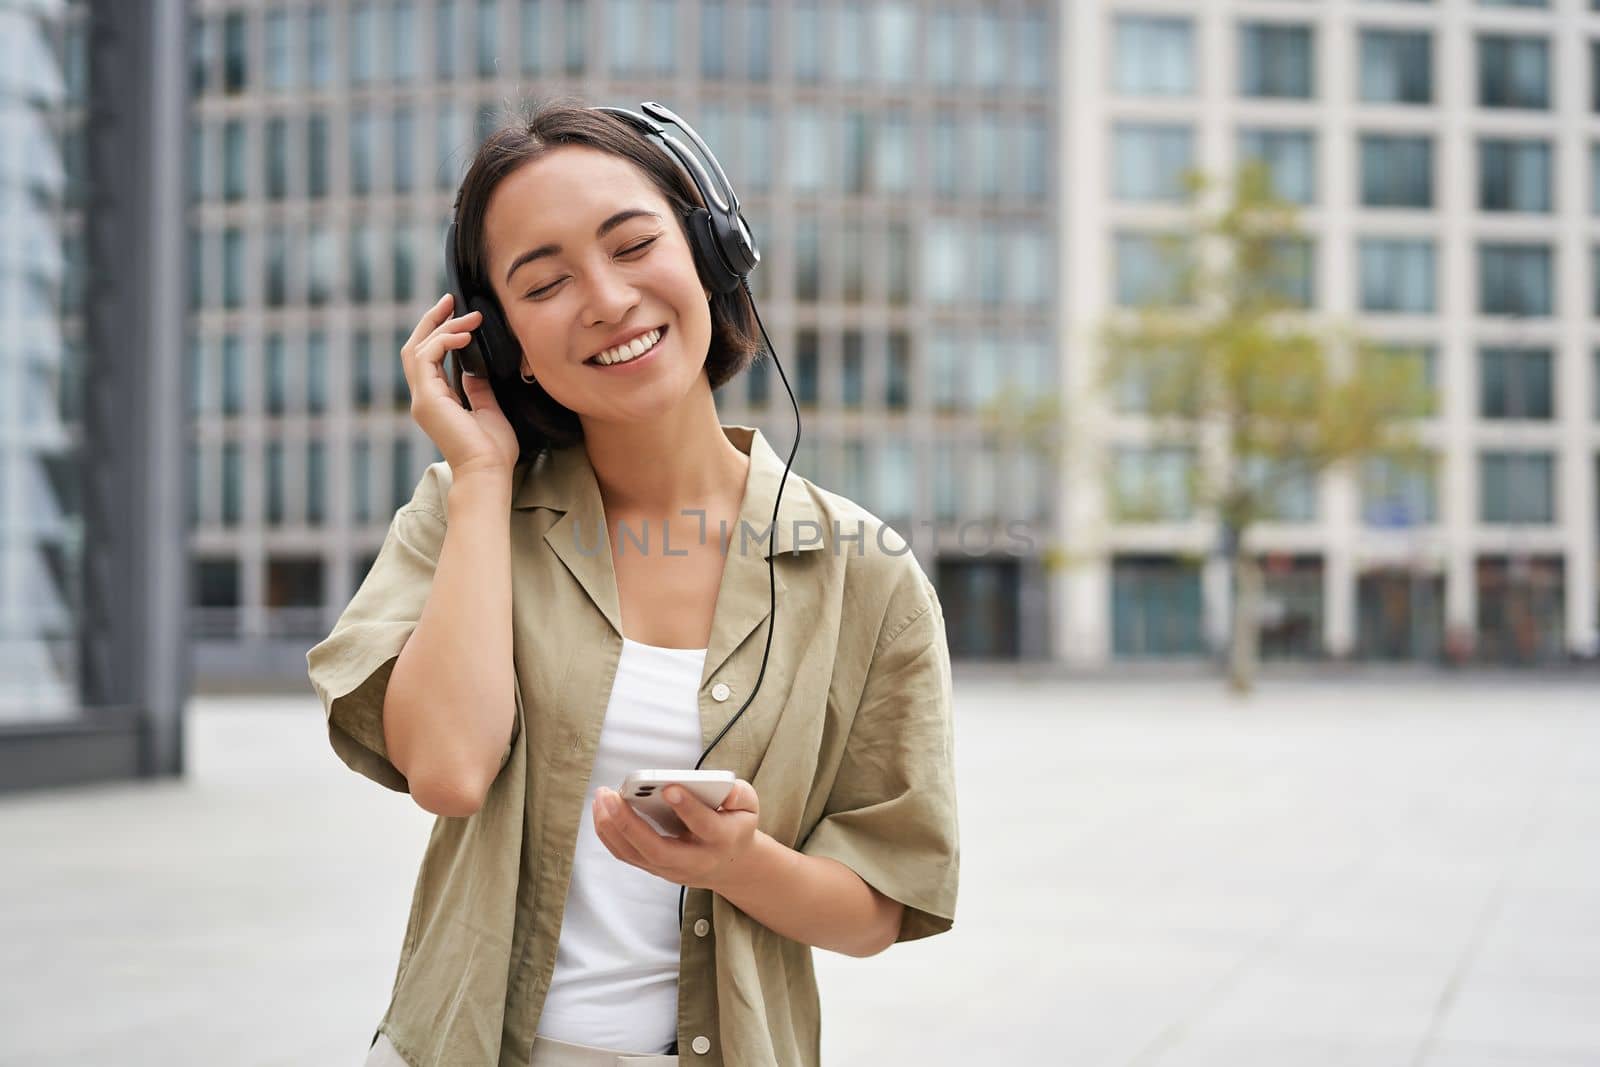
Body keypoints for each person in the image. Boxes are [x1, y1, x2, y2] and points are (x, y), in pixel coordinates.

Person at [306, 99, 960, 1067]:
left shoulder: (864, 572)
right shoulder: (458, 514)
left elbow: (879, 904)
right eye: (544, 283)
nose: (606, 299)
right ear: (503, 347)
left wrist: (738, 862)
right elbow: (446, 771)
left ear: (709, 252)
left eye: (631, 244)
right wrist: (483, 480)